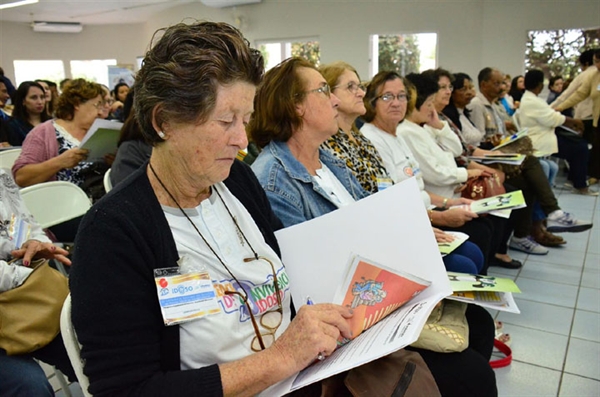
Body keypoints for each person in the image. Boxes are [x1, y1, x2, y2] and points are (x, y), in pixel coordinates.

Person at [69, 22, 369, 396]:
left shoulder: (237, 181)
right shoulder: (114, 231)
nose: (242, 140)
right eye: (226, 121)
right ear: (164, 122)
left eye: (245, 120)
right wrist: (280, 359)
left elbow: (289, 271)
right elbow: (128, 390)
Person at [250, 58, 369, 227]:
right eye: (324, 90)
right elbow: (305, 252)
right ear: (295, 105)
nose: (336, 101)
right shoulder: (273, 182)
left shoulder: (330, 163)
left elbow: (370, 216)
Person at [0, 168, 76, 396]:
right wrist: (26, 270)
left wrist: (34, 244)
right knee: (28, 386)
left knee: (98, 351)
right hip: (20, 287)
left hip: (23, 300)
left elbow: (21, 224)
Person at [519, 69, 594, 196]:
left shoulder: (532, 99)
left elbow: (551, 115)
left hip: (545, 135)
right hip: (537, 140)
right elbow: (551, 118)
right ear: (541, 85)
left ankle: (574, 180)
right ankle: (579, 184)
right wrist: (573, 121)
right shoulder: (531, 101)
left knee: (578, 147)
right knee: (580, 148)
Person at [318, 61, 389, 194]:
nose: (361, 93)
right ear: (330, 94)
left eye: (360, 86)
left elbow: (386, 184)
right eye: (350, 87)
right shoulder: (325, 144)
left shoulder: (362, 141)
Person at [553, 49, 600, 186]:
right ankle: (592, 176)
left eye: (598, 61)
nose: (597, 65)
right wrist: (560, 107)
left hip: (590, 118)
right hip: (596, 119)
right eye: (595, 62)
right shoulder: (593, 76)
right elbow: (579, 94)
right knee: (595, 148)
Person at [5, 81, 51, 146]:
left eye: (42, 97)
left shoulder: (53, 122)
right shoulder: (13, 125)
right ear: (23, 101)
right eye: (34, 98)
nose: (40, 102)